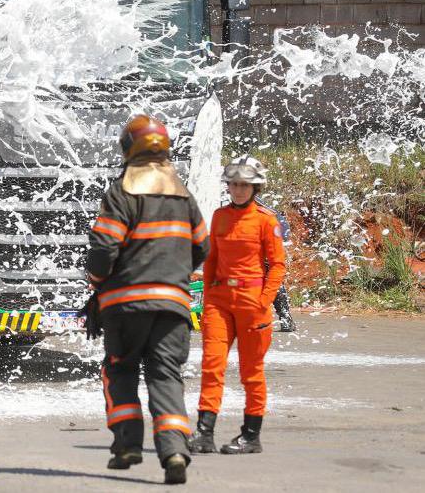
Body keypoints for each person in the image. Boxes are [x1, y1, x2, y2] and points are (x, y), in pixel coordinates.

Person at [85, 115, 209, 485]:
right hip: (173, 306)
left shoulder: (121, 192)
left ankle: (127, 446)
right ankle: (173, 452)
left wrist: (96, 281)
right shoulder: (184, 196)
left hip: (125, 307)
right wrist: (174, 273)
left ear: (128, 149)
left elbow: (103, 250)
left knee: (120, 370)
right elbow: (201, 246)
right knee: (166, 376)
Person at [187, 154, 286, 455]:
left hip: (251, 301)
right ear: (227, 186)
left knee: (251, 371)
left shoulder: (267, 220)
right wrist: (207, 295)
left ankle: (250, 436)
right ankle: (204, 434)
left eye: (245, 185)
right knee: (211, 365)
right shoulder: (219, 216)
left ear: (256, 188)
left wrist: (263, 302)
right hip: (219, 301)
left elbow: (278, 265)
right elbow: (212, 258)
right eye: (234, 184)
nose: (239, 190)